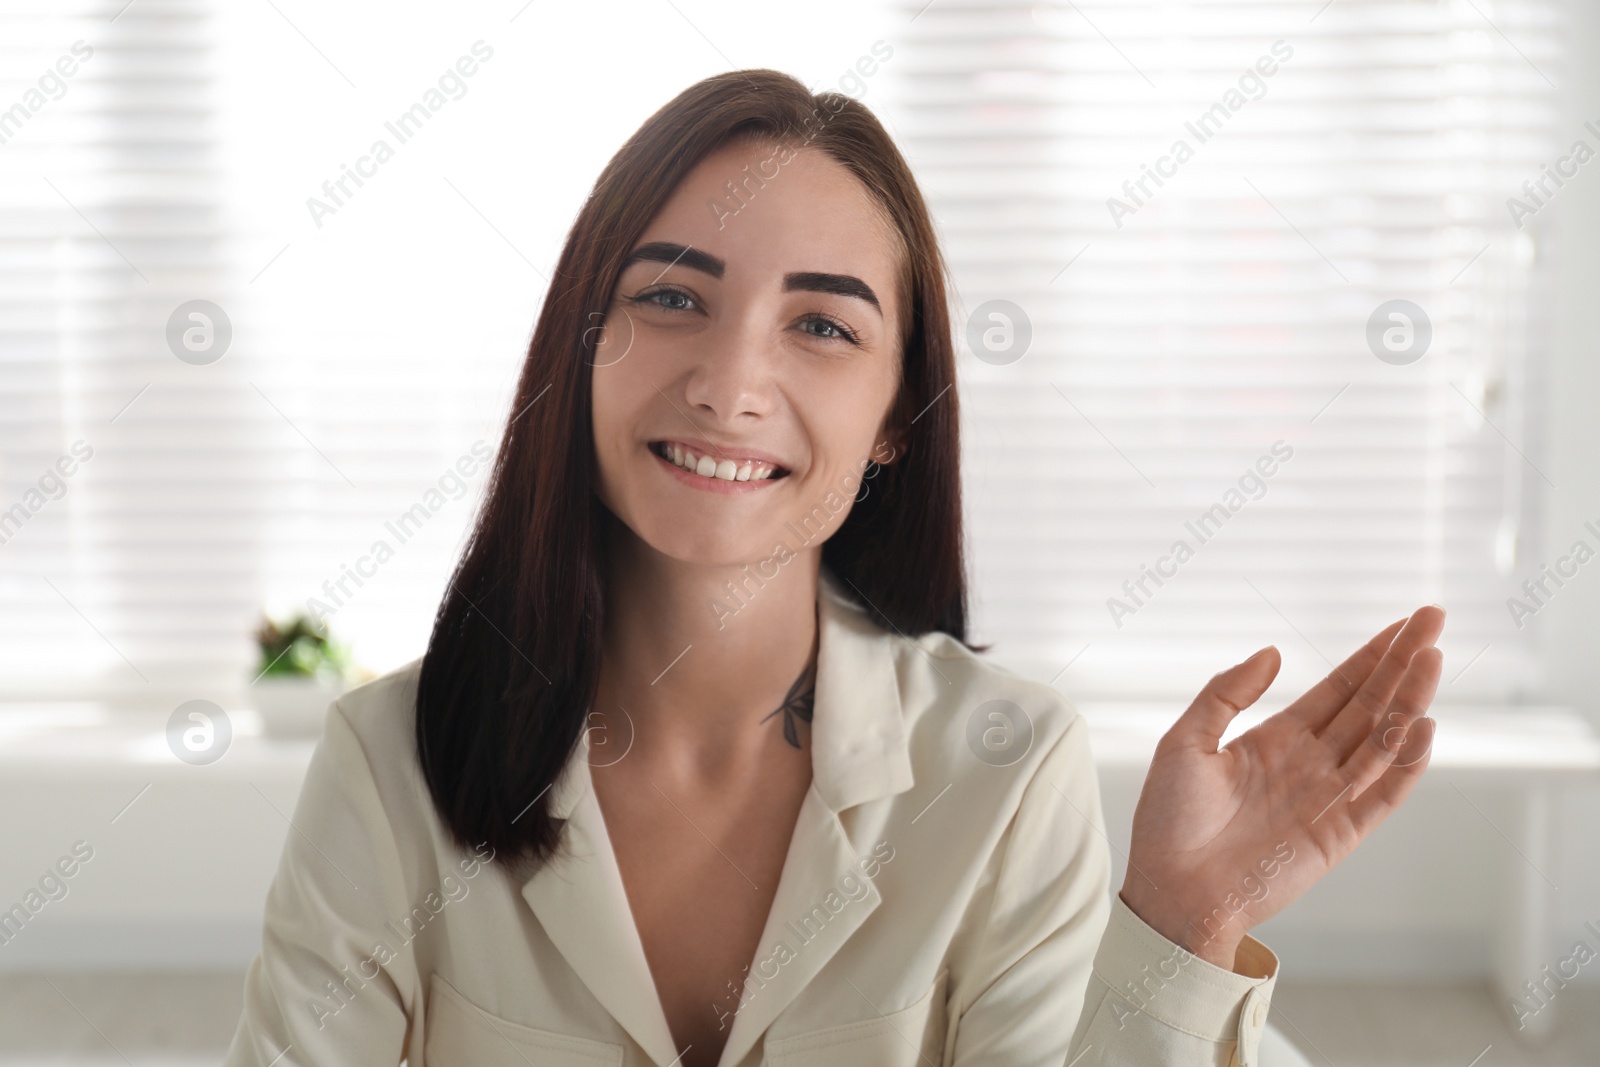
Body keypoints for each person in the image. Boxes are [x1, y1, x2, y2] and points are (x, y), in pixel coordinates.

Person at [223, 69, 1444, 1067]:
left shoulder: (1009, 768)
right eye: (670, 296)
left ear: (894, 419)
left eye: (821, 325)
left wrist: (1183, 926)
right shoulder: (388, 762)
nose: (729, 382)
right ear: (582, 343)